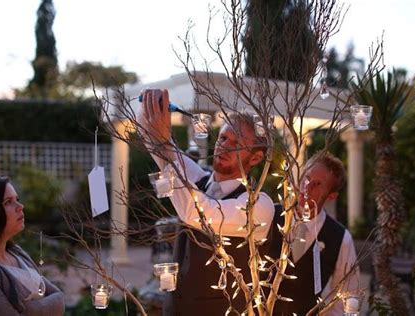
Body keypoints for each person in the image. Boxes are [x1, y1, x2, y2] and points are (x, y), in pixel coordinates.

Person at [138, 89, 275, 315]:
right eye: (223, 137)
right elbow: (158, 145)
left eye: (236, 142)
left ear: (256, 157)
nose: (224, 146)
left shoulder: (259, 205)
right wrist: (151, 105)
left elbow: (196, 212)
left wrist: (166, 146)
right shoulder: (199, 178)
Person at [270, 151, 360, 315]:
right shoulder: (270, 215)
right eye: (307, 178)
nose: (307, 187)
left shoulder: (340, 238)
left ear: (332, 196)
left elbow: (348, 294)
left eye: (318, 184)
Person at [0, 176, 65, 316]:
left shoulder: (17, 253)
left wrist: (29, 309)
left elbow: (59, 298)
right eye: (8, 202)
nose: (20, 206)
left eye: (17, 200)